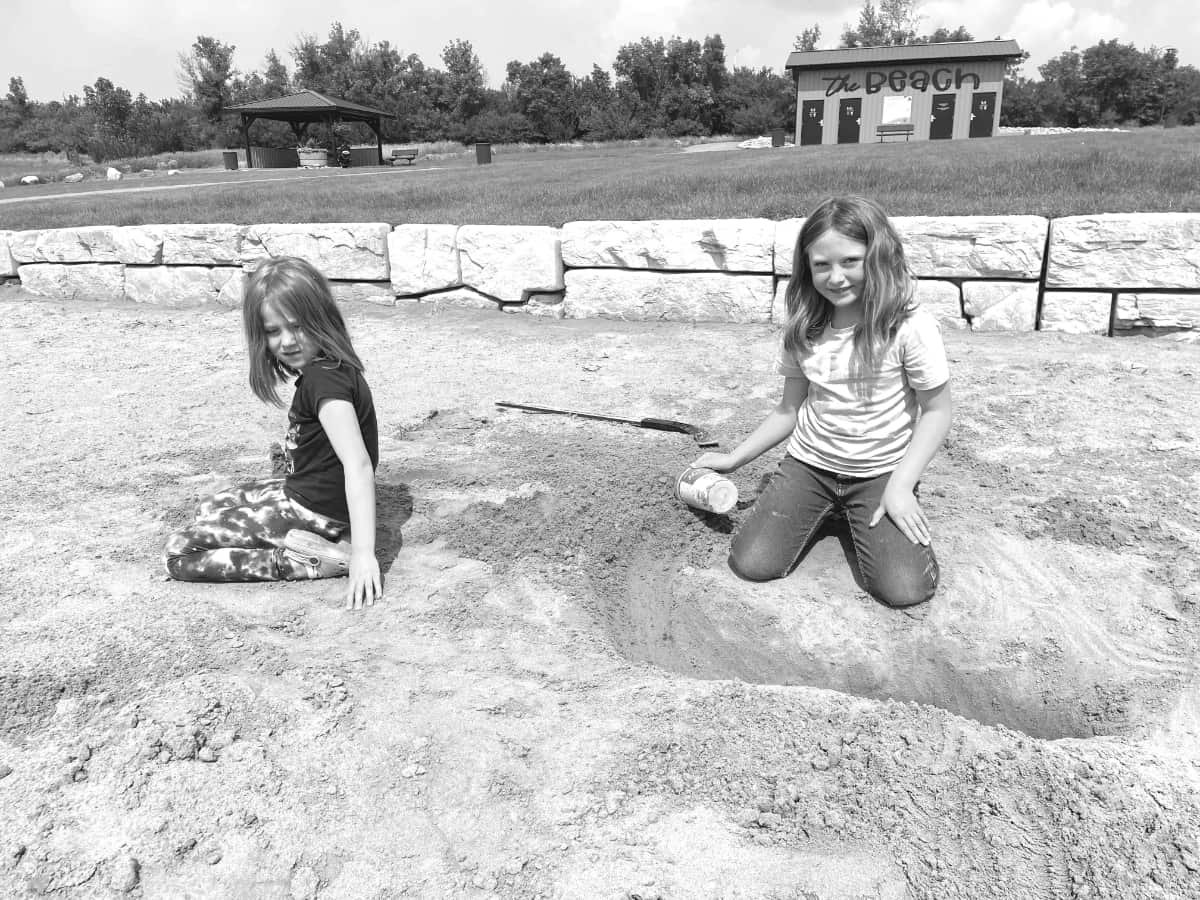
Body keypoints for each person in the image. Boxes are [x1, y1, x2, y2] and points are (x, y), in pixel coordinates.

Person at [692, 196, 951, 607]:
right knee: (753, 563)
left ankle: (859, 513)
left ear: (879, 256)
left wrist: (901, 486)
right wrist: (734, 459)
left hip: (880, 472)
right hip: (811, 466)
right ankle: (828, 509)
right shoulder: (805, 327)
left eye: (851, 261)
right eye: (821, 265)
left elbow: (937, 412)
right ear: (806, 267)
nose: (836, 277)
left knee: (905, 590)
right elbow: (788, 410)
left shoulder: (908, 327)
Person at [163, 256, 382, 610]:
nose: (287, 341)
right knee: (210, 506)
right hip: (306, 493)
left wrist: (363, 554)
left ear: (321, 319)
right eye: (273, 331)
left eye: (297, 327)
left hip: (314, 510)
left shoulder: (325, 383)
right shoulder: (324, 369)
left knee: (179, 552)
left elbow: (358, 465)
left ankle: (305, 560)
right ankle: (311, 538)